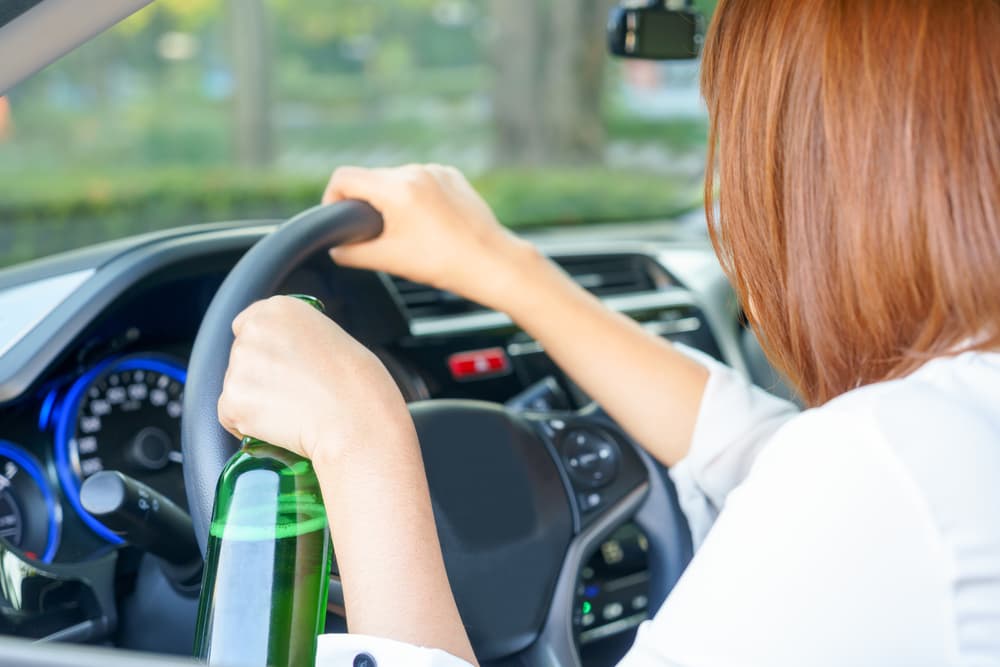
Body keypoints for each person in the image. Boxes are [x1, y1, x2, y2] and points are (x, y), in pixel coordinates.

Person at [216, 0, 1000, 665]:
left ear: (830, 175)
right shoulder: (938, 437)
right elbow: (761, 450)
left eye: (741, 146)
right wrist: (500, 266)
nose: (732, 201)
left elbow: (838, 463)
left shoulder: (887, 467)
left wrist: (362, 447)